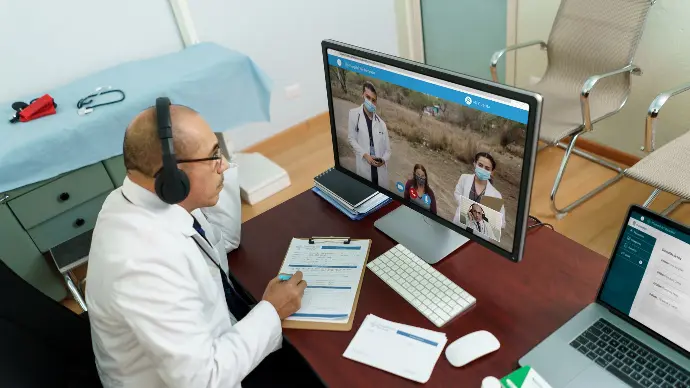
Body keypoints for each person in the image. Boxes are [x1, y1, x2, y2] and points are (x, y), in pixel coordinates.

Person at [85, 104, 320, 388]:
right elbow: (205, 381)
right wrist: (271, 309)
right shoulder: (143, 265)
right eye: (212, 156)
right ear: (173, 178)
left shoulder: (150, 199)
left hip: (212, 347)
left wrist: (213, 172)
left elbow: (225, 239)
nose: (222, 164)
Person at [347, 81, 391, 189]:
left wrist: (383, 160)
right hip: (364, 164)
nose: (370, 102)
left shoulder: (381, 124)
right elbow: (351, 139)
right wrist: (365, 155)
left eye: (374, 100)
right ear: (363, 95)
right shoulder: (353, 114)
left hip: (379, 169)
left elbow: (388, 151)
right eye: (368, 97)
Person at [452, 152, 505, 228]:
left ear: (492, 172)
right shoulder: (464, 178)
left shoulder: (495, 195)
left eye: (487, 168)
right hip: (459, 226)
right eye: (480, 165)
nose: (483, 169)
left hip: (479, 235)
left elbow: (501, 222)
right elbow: (457, 194)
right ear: (474, 164)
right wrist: (467, 208)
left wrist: (484, 218)